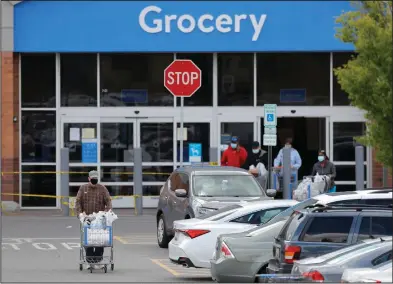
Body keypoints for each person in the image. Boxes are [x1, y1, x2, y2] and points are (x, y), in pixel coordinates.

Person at [75, 170, 112, 268]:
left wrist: (106, 213)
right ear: (89, 179)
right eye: (92, 179)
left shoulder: (102, 189)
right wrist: (80, 215)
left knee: (100, 240)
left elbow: (108, 202)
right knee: (88, 240)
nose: (94, 181)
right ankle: (90, 260)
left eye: (96, 179)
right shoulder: (83, 188)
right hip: (87, 218)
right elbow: (78, 202)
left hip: (99, 219)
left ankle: (98, 260)